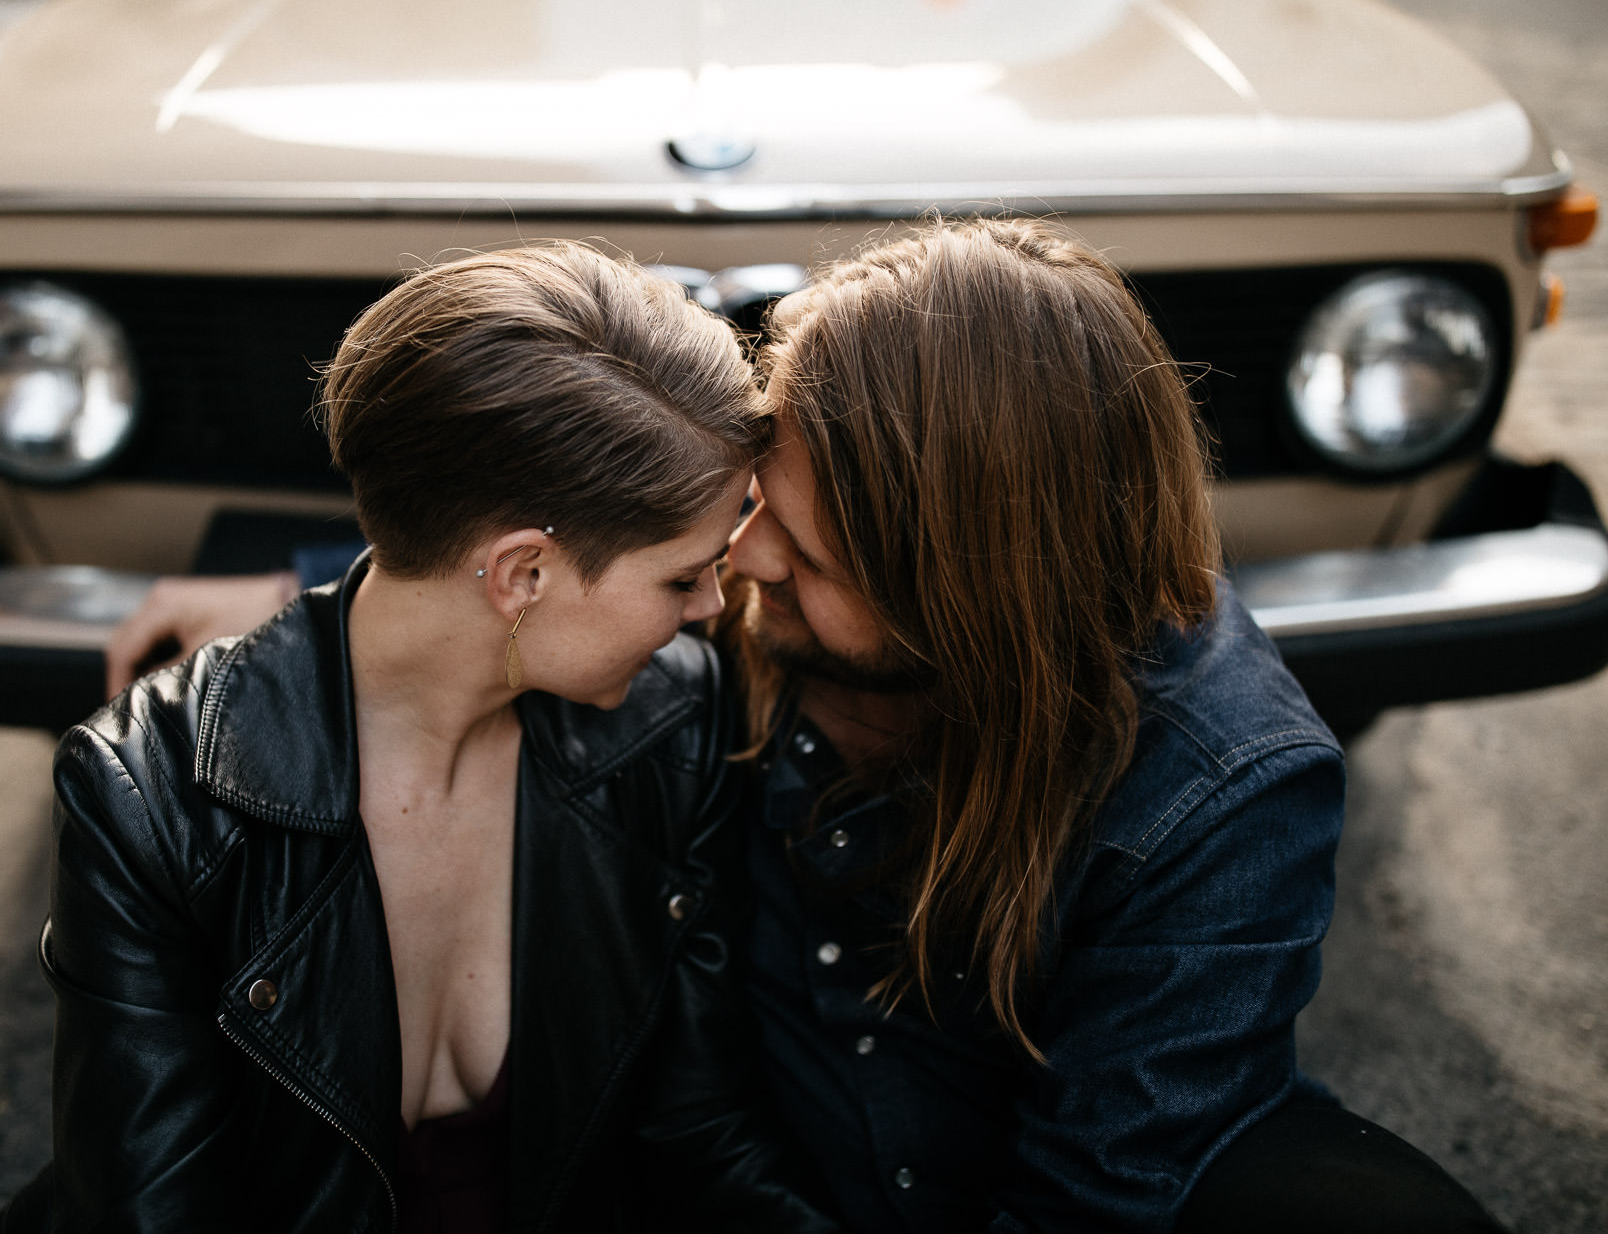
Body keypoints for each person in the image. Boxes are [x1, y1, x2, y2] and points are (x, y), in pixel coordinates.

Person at [103, 221, 1504, 1232]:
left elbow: (1099, 1196)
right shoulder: (731, 625)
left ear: (969, 596)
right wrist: (318, 596)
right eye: (753, 510)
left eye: (807, 560)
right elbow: (543, 531)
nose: (747, 570)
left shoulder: (1223, 794)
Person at [0, 242, 839, 1233]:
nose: (711, 609)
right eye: (680, 576)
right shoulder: (150, 798)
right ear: (522, 573)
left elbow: (696, 1129)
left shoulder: (671, 721)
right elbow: (158, 1209)